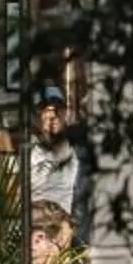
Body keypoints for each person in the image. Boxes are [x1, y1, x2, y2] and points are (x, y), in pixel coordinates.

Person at [29, 88, 83, 222]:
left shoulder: (76, 149)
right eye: (47, 110)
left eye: (58, 109)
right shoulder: (29, 152)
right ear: (38, 116)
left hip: (68, 227)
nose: (53, 115)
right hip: (37, 225)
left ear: (65, 114)